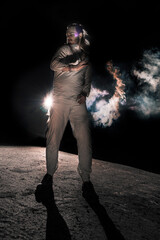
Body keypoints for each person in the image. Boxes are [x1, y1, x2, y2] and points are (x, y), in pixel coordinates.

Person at [35, 23, 99, 204]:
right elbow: (53, 64)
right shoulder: (63, 50)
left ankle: (86, 180)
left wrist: (85, 93)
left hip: (77, 104)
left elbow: (87, 79)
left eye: (72, 34)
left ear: (79, 35)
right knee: (53, 137)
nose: (68, 36)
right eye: (67, 34)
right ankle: (49, 175)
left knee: (85, 140)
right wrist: (73, 67)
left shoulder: (86, 55)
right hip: (60, 100)